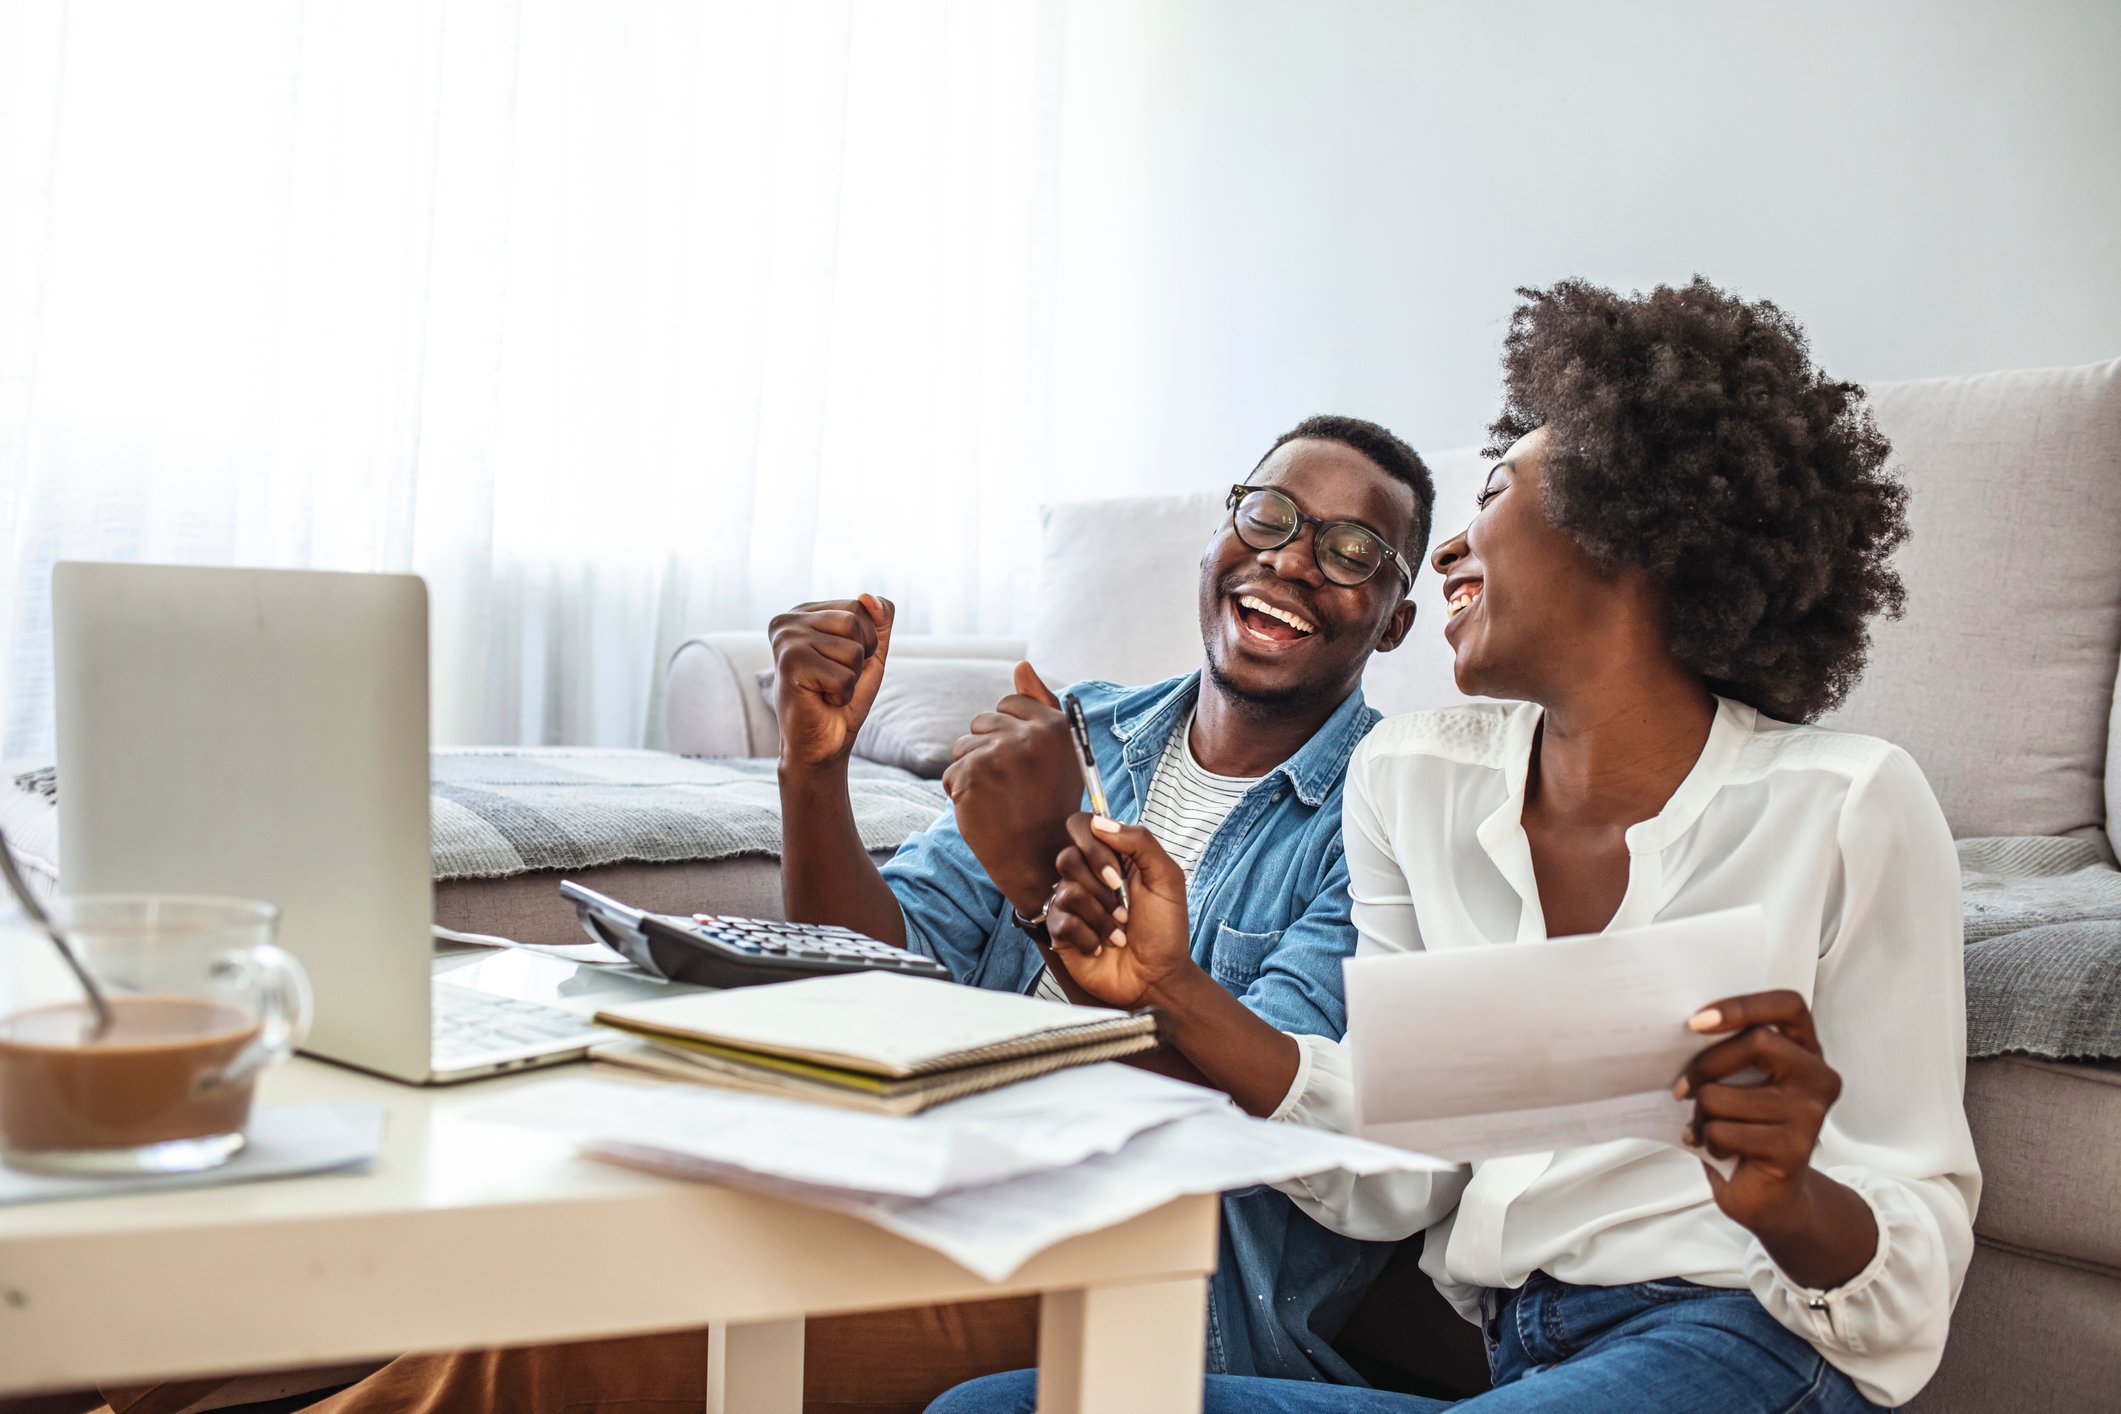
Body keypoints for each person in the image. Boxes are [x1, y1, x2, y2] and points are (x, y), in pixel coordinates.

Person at [103, 414, 1434, 1414]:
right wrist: (813, 768)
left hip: (1130, 1267)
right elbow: (869, 968)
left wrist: (1040, 882)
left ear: (1390, 618)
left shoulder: (1385, 810)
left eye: (1352, 550)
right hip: (913, 1175)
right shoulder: (1089, 727)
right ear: (1220, 531)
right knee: (502, 1227)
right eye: (1268, 513)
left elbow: (1273, 1114)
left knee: (557, 1334)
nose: (1292, 559)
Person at [931, 277, 1980, 1414]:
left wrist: (1785, 1199)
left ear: (1631, 529)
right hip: (1524, 1362)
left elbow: (1911, 1274)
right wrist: (1172, 990)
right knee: (996, 1410)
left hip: (1748, 1338)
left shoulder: (1849, 803)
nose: (1447, 553)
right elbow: (1402, 1168)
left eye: (1495, 491)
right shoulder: (1414, 782)